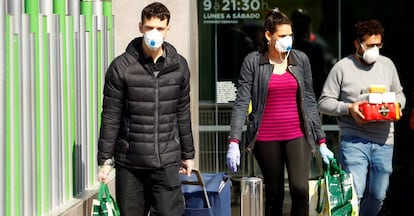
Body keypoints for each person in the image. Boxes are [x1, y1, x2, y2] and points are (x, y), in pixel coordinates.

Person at [226, 7, 334, 216]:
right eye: (283, 36)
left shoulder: (300, 60)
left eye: (290, 35)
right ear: (269, 36)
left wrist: (321, 140)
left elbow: (310, 100)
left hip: (297, 133)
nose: (288, 40)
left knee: (300, 190)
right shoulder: (254, 62)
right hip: (266, 136)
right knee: (274, 193)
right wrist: (234, 141)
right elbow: (241, 103)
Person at [97, 2, 195, 216]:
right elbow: (111, 116)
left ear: (168, 29)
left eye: (160, 28)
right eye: (149, 27)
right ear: (141, 27)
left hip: (167, 161)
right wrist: (104, 159)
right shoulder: (121, 67)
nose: (154, 33)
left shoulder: (179, 66)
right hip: (131, 164)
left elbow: (182, 112)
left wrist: (188, 154)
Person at [318, 19, 406, 216]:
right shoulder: (342, 67)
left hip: (384, 140)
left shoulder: (387, 65)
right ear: (357, 44)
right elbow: (323, 102)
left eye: (378, 45)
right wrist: (349, 108)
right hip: (354, 138)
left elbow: (400, 94)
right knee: (354, 193)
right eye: (370, 45)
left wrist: (396, 106)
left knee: (378, 195)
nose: (375, 49)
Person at [290, 8, 328, 99]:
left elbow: (320, 76)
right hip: (300, 95)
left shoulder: (314, 48)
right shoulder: (286, 47)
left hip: (309, 95)